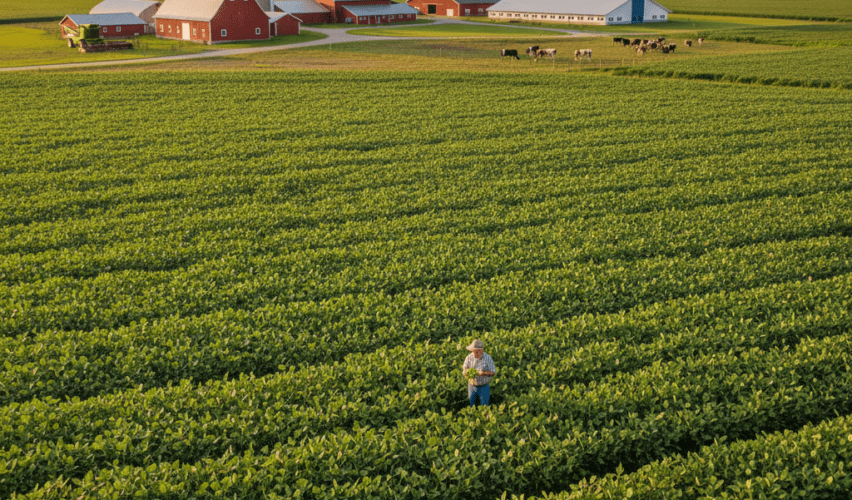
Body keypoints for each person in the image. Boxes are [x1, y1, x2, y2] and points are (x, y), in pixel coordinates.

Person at [462, 339, 496, 407]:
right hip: (472, 386)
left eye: (477, 352)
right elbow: (465, 368)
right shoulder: (469, 357)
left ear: (481, 350)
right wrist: (465, 373)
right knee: (472, 404)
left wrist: (483, 373)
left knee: (485, 405)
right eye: (474, 351)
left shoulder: (488, 358)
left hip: (484, 386)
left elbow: (492, 372)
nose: (475, 354)